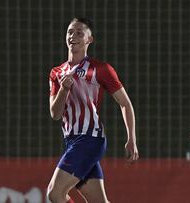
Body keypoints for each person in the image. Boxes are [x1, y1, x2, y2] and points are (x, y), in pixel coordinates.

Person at [47, 18, 139, 203]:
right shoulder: (57, 73)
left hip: (90, 140)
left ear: (89, 39)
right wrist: (64, 89)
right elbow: (55, 114)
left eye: (79, 33)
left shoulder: (100, 69)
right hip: (71, 142)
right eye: (70, 32)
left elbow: (125, 103)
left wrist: (132, 139)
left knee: (54, 193)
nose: (73, 36)